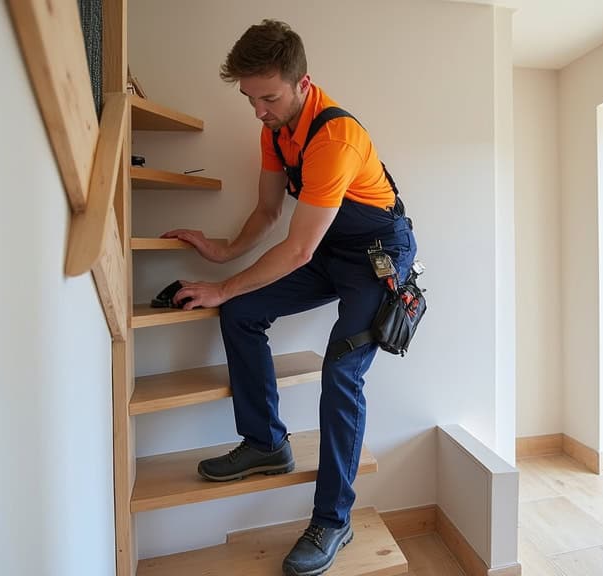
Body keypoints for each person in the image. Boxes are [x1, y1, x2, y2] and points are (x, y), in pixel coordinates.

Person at [162, 19, 417, 576]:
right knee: (243, 311)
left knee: (342, 372)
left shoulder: (335, 139)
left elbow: (297, 248)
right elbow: (269, 212)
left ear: (304, 83)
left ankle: (333, 519)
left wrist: (222, 284)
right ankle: (265, 443)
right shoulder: (274, 131)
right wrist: (222, 253)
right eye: (250, 99)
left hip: (377, 257)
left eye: (268, 97)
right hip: (328, 248)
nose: (258, 110)